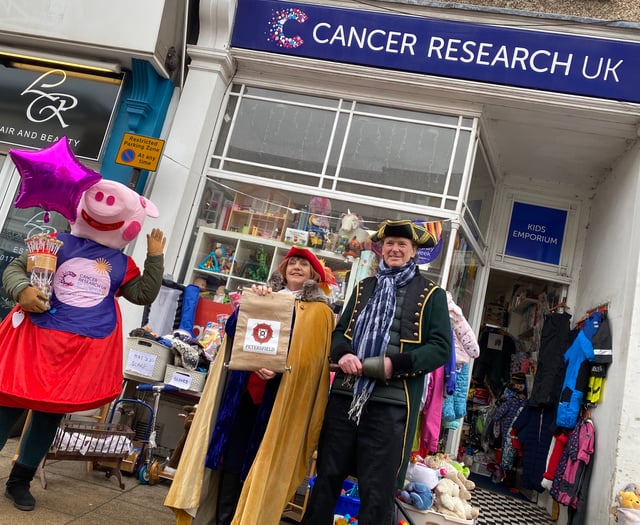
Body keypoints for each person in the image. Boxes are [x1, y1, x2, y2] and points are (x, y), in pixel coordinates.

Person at [0, 179, 166, 512]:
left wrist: (155, 258)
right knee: (5, 409)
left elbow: (143, 294)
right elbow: (16, 269)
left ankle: (20, 481)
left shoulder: (122, 265)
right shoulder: (54, 243)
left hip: (78, 353)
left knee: (48, 420)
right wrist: (22, 291)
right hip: (35, 342)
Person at [165, 246, 336, 525]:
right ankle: (222, 519)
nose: (295, 267)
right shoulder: (265, 296)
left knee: (261, 462)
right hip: (243, 393)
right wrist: (247, 307)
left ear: (314, 275)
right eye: (291, 263)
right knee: (230, 460)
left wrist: (279, 372)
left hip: (280, 399)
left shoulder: (319, 314)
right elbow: (234, 331)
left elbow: (311, 361)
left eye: (302, 265)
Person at [301, 219, 453, 525]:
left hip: (391, 406)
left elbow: (440, 348)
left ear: (413, 252)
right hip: (346, 396)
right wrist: (342, 355)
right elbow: (339, 334)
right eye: (389, 244)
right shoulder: (363, 288)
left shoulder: (432, 294)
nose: (395, 249)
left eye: (402, 245)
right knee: (328, 476)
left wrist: (393, 365)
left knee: (377, 489)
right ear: (381, 249)